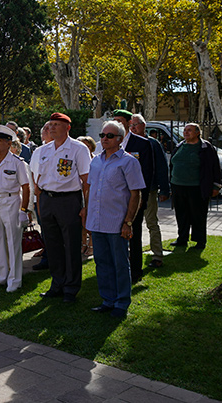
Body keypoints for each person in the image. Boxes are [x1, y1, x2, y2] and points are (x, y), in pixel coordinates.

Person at [86, 121, 146, 319]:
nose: (104, 138)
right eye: (103, 135)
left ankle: (121, 302)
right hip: (97, 221)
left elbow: (135, 193)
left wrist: (128, 222)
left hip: (116, 222)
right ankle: (107, 300)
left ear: (120, 139)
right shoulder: (95, 160)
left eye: (109, 136)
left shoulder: (129, 162)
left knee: (120, 263)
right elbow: (91, 189)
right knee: (102, 262)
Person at [35, 112, 91, 303]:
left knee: (71, 245)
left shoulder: (78, 149)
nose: (51, 128)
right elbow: (38, 179)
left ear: (67, 127)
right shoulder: (44, 150)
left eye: (56, 125)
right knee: (53, 245)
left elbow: (86, 181)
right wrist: (40, 202)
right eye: (50, 124)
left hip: (68, 200)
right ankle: (57, 283)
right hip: (48, 199)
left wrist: (86, 206)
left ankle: (71, 287)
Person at [0, 125, 31, 292]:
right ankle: (0, 275)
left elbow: (26, 187)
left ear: (9, 143)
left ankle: (15, 279)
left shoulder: (17, 162)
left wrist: (24, 210)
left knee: (13, 241)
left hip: (11, 202)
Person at [110, 110, 155, 284]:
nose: (117, 124)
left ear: (129, 123)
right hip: (114, 198)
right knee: (114, 233)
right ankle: (117, 267)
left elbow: (147, 172)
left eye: (120, 121)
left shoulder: (142, 144)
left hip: (133, 198)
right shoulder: (109, 142)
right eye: (114, 121)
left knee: (133, 234)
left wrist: (142, 198)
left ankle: (135, 270)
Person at [169, 123, 221, 249]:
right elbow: (172, 164)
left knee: (198, 215)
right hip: (178, 186)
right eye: (185, 130)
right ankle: (182, 238)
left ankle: (200, 241)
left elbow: (214, 167)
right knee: (181, 214)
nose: (186, 133)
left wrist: (216, 186)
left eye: (189, 130)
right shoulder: (180, 145)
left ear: (198, 133)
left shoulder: (206, 148)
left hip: (196, 187)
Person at [129, 113, 170, 267]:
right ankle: (131, 255)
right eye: (130, 125)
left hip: (149, 190)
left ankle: (157, 255)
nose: (133, 128)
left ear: (144, 126)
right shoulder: (126, 143)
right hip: (129, 191)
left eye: (136, 124)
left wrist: (164, 190)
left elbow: (161, 167)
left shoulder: (152, 143)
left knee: (151, 222)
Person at [29, 123, 52, 271]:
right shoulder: (38, 151)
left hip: (53, 196)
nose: (45, 132)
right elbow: (32, 172)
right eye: (44, 129)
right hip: (39, 196)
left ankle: (51, 257)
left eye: (47, 130)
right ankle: (47, 255)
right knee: (44, 227)